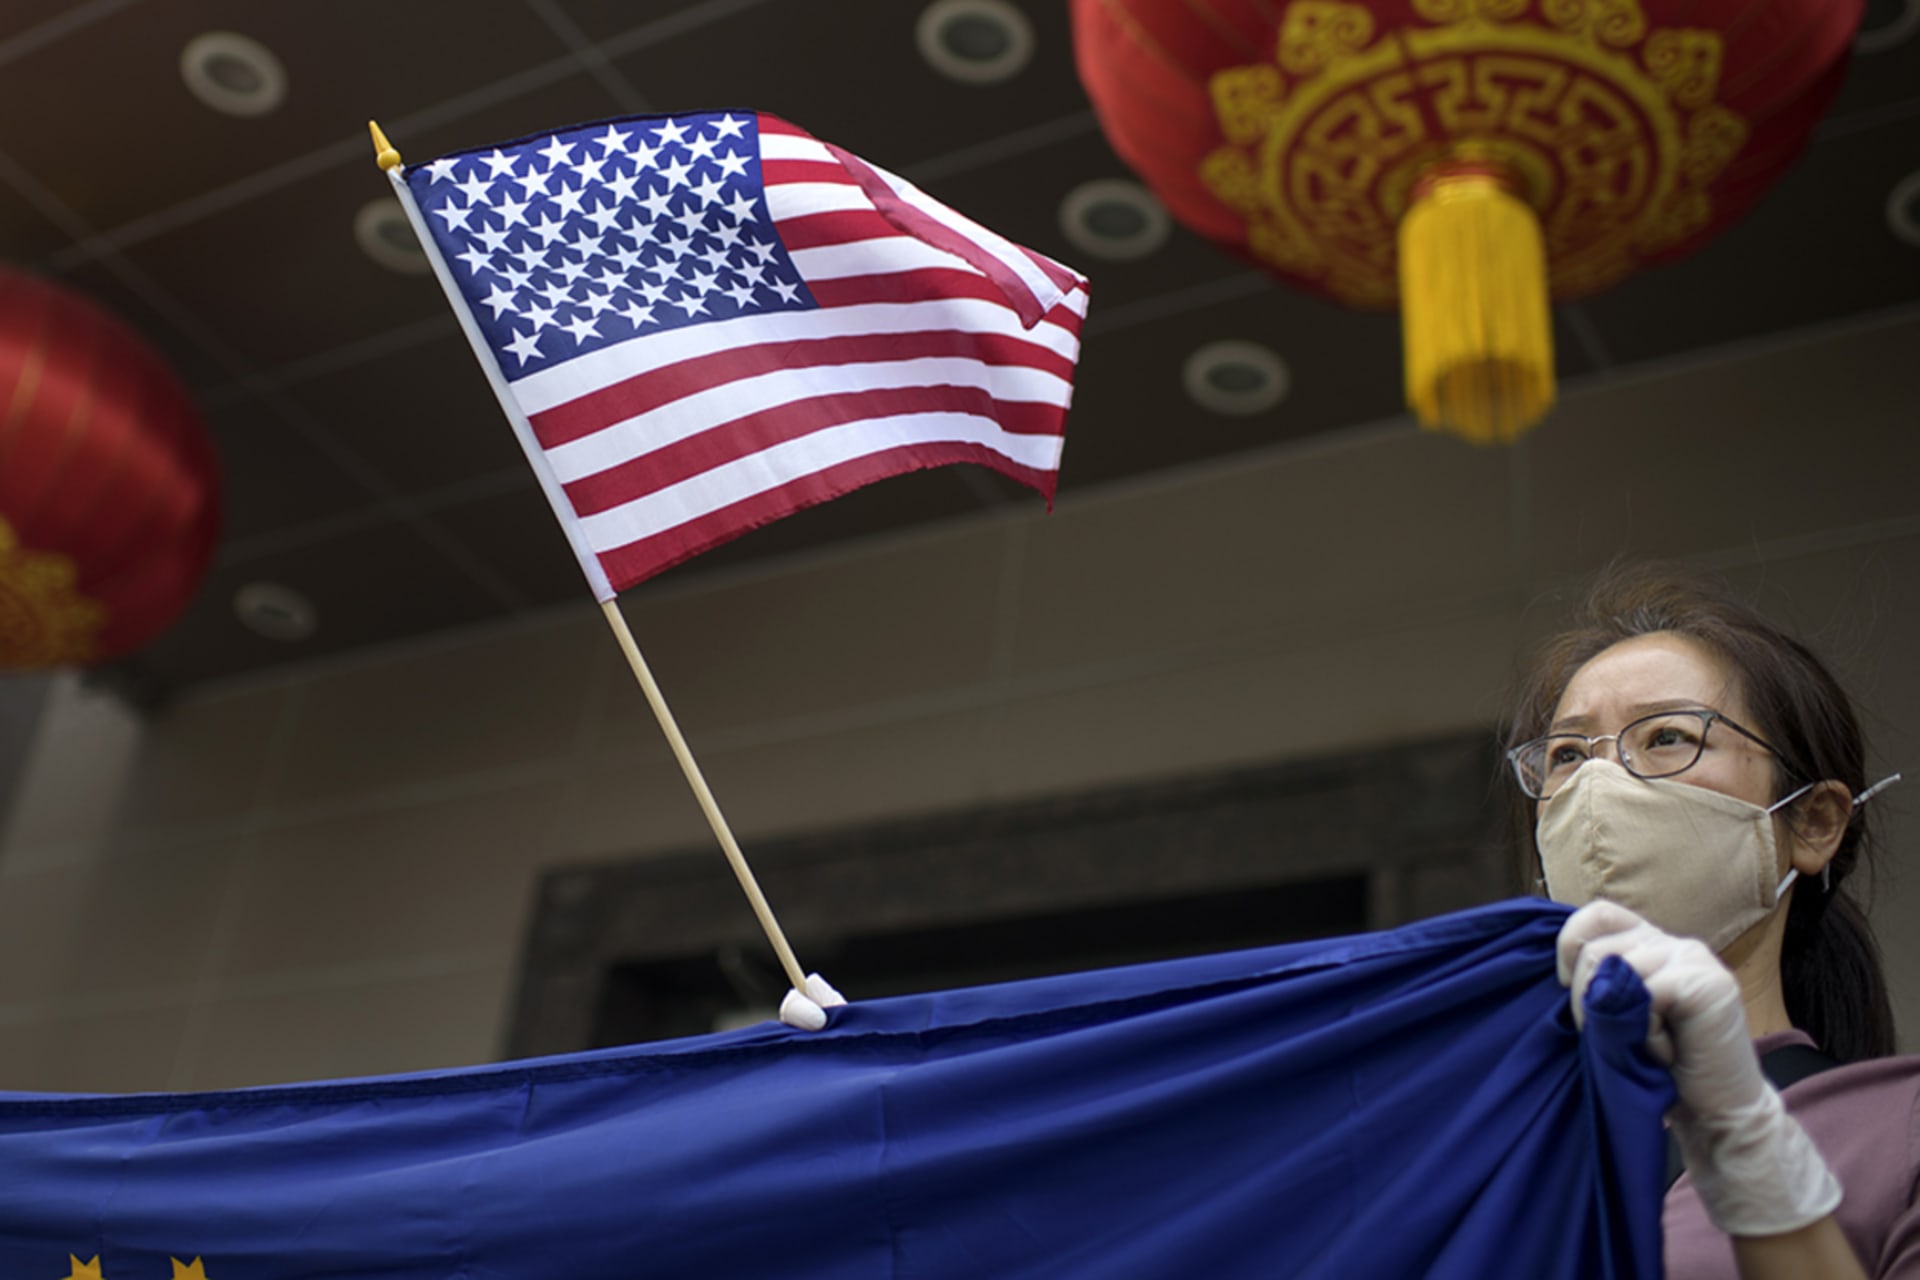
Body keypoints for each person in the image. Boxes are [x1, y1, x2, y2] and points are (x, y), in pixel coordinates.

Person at [1504, 564, 1917, 1278]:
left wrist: (1744, 1143)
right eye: (1568, 754)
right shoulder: (1494, 1147)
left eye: (1667, 738)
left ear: (1814, 824)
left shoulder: (1897, 1132)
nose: (1601, 788)